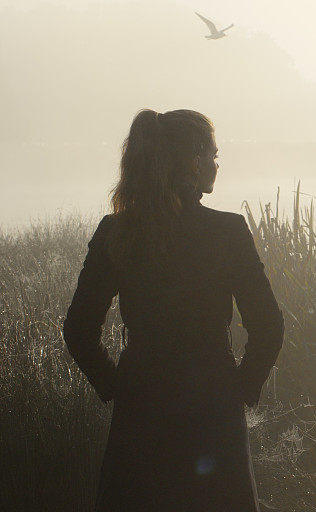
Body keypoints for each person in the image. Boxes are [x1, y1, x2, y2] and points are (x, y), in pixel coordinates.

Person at [61, 108, 285, 511]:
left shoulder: (116, 231)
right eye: (214, 154)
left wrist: (114, 385)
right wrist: (239, 388)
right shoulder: (228, 232)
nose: (218, 164)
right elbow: (268, 326)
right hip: (213, 407)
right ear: (195, 160)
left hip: (140, 406)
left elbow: (78, 328)